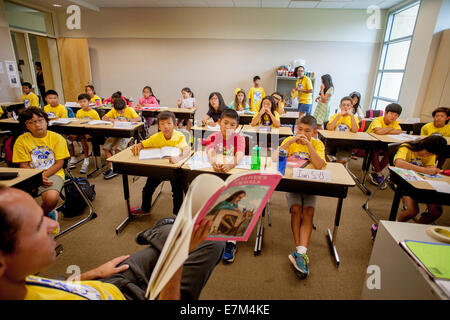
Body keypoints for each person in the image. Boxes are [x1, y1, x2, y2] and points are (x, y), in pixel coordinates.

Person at [0, 186, 225, 300]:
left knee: (192, 235)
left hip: (111, 281)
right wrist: (176, 259)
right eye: (39, 226)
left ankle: (163, 231)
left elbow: (58, 284)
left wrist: (94, 272)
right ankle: (160, 231)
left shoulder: (16, 280)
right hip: (131, 294)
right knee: (210, 241)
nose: (52, 226)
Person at [279, 115, 326, 279]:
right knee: (297, 209)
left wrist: (309, 145)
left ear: (314, 132)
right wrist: (290, 142)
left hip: (311, 184)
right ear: (295, 129)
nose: (302, 133)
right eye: (299, 129)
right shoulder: (290, 141)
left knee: (308, 212)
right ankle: (300, 253)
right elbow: (275, 157)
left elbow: (320, 164)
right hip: (292, 183)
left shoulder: (317, 143)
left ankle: (300, 252)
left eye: (307, 131)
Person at [12, 107, 69, 222]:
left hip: (53, 172)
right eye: (31, 122)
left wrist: (43, 176)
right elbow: (23, 164)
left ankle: (40, 217)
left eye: (40, 120)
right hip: (30, 174)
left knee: (51, 198)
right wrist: (37, 178)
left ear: (46, 121)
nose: (37, 125)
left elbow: (59, 164)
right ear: (26, 126)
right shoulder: (21, 140)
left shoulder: (57, 138)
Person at [204, 108, 246, 263]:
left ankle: (231, 242)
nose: (228, 127)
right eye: (225, 123)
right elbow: (210, 152)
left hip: (232, 176)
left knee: (233, 205)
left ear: (236, 127)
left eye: (232, 124)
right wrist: (214, 162)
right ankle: (210, 233)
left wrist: (230, 164)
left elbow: (239, 155)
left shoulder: (239, 138)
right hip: (216, 175)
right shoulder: (213, 136)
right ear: (219, 122)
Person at [131, 111, 191, 215]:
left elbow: (186, 149)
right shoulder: (157, 136)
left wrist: (179, 157)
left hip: (175, 170)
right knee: (147, 188)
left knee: (177, 193)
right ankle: (145, 209)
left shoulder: (179, 136)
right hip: (160, 169)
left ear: (175, 125)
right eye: (162, 124)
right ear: (158, 126)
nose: (166, 127)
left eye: (169, 123)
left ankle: (177, 214)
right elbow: (143, 144)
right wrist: (137, 147)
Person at [394, 134, 447, 224]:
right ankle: (395, 225)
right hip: (404, 182)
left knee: (436, 211)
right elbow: (399, 163)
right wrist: (424, 170)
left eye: (431, 154)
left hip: (423, 183)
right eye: (427, 153)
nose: (428, 156)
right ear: (423, 145)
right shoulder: (406, 147)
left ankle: (418, 227)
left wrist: (432, 170)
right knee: (412, 211)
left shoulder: (431, 152)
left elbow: (429, 167)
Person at [102, 98, 140, 180]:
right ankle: (112, 168)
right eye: (118, 111)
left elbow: (138, 119)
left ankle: (117, 167)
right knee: (105, 148)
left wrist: (128, 120)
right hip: (116, 133)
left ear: (125, 107)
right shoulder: (113, 110)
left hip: (127, 134)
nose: (120, 113)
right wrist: (111, 119)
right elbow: (103, 118)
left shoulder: (129, 109)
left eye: (122, 111)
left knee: (118, 149)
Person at [366, 103, 403, 187]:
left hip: (383, 143)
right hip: (370, 142)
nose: (393, 117)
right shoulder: (378, 120)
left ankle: (376, 172)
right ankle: (378, 173)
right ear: (385, 113)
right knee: (374, 151)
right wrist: (390, 128)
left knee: (390, 153)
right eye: (391, 114)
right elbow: (378, 132)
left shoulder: (395, 123)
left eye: (396, 115)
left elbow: (399, 131)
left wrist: (384, 130)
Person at [67, 94, 100, 174]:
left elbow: (98, 124)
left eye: (84, 101)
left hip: (91, 132)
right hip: (80, 130)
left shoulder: (94, 113)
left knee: (83, 137)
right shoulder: (79, 112)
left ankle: (86, 159)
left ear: (89, 102)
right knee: (69, 138)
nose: (82, 103)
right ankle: (72, 157)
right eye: (80, 102)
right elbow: (78, 123)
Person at [326, 96, 359, 164]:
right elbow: (329, 128)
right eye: (343, 105)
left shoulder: (354, 118)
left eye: (348, 105)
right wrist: (338, 116)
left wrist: (351, 116)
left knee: (340, 162)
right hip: (333, 143)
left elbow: (355, 130)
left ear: (351, 107)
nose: (345, 107)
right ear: (340, 106)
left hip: (346, 144)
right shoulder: (335, 116)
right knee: (322, 156)